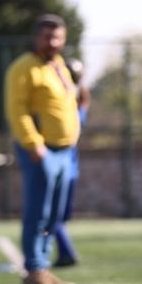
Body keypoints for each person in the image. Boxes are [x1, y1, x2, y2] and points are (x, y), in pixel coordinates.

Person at [4, 14, 78, 284]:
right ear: (36, 38)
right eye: (47, 36)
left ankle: (43, 269)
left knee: (55, 215)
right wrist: (32, 142)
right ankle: (34, 268)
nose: (52, 42)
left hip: (65, 151)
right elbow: (17, 109)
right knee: (39, 212)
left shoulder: (59, 66)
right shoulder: (23, 68)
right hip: (41, 151)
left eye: (57, 37)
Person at [51, 59, 90, 269]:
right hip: (71, 168)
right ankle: (60, 252)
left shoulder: (68, 108)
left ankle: (65, 252)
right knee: (57, 217)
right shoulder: (76, 105)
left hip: (63, 167)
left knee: (52, 216)